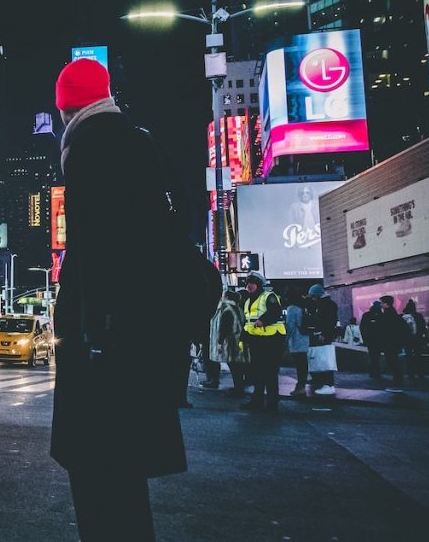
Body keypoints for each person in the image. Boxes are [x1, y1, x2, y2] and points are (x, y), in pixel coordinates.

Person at [49, 58, 219, 541]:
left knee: (98, 480)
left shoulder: (86, 148)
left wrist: (91, 334)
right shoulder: (143, 141)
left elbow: (95, 256)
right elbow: (181, 221)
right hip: (145, 342)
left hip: (106, 347)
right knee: (125, 483)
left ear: (66, 109)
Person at [240, 271, 286, 412]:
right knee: (257, 373)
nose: (249, 286)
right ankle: (257, 401)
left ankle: (272, 403)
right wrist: (243, 339)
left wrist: (263, 320)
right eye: (247, 283)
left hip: (272, 340)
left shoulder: (268, 296)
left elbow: (276, 311)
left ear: (259, 284)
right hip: (256, 341)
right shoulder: (248, 301)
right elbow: (247, 322)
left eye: (252, 283)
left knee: (270, 373)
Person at [206, 290, 249, 396]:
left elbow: (224, 327)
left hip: (231, 343)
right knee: (237, 367)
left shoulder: (226, 308)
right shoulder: (238, 308)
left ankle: (238, 390)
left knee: (234, 367)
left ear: (226, 297)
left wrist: (220, 342)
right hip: (239, 341)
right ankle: (239, 388)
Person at [308, 284, 339, 396]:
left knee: (326, 360)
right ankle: (324, 382)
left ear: (317, 295)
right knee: (322, 359)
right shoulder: (324, 304)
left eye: (313, 296)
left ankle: (329, 385)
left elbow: (330, 321)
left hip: (324, 335)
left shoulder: (327, 305)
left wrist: (324, 333)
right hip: (322, 334)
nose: (312, 298)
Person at [283, 286, 309, 397]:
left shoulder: (292, 308)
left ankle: (300, 387)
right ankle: (302, 386)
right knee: (303, 364)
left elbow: (289, 326)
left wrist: (284, 340)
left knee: (299, 364)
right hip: (304, 338)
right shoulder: (302, 306)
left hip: (296, 339)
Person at [380, 296, 407, 388]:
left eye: (382, 303)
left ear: (386, 304)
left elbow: (386, 330)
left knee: (392, 362)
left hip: (390, 343)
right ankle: (398, 383)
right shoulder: (392, 313)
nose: (381, 305)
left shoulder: (388, 314)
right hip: (393, 342)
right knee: (393, 362)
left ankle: (398, 384)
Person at [403, 299, 427, 380]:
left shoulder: (405, 316)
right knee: (418, 356)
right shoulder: (419, 316)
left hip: (407, 340)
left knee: (409, 357)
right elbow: (423, 327)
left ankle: (411, 374)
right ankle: (420, 373)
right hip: (418, 339)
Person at [361, 301, 385, 378]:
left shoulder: (366, 315)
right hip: (377, 339)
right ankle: (376, 372)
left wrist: (364, 338)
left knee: (373, 356)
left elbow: (362, 327)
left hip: (370, 339)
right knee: (376, 356)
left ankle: (373, 372)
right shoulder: (381, 315)